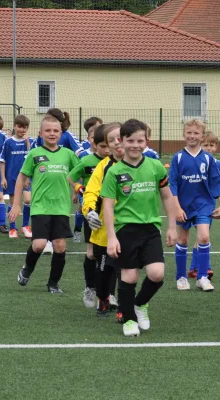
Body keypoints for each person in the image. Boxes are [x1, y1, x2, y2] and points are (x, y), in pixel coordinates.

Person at [101, 119, 178, 337]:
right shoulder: (114, 172)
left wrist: (172, 226)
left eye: (140, 140)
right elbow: (107, 206)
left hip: (150, 229)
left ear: (146, 141)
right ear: (121, 142)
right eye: (130, 140)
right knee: (129, 277)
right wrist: (111, 238)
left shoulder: (155, 167)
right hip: (125, 230)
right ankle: (129, 319)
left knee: (156, 274)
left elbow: (167, 197)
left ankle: (139, 304)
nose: (135, 145)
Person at [9, 114, 81, 293]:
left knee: (60, 246)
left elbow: (80, 173)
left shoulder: (68, 154)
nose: (52, 133)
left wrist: (79, 191)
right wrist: (16, 204)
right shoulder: (35, 154)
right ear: (40, 133)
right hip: (40, 206)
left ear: (61, 133)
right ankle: (27, 268)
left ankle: (53, 283)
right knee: (39, 245)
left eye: (56, 130)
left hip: (62, 208)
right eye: (48, 130)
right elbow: (21, 178)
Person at [170, 120, 220, 292]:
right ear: (183, 134)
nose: (192, 136)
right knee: (183, 240)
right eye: (189, 133)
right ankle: (181, 277)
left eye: (196, 133)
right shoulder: (178, 158)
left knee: (203, 237)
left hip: (203, 205)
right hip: (184, 206)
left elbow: (216, 182)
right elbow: (172, 185)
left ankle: (202, 277)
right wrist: (177, 208)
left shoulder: (209, 159)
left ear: (202, 136)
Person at [82, 123, 124, 318]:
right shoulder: (104, 166)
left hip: (130, 227)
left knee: (125, 269)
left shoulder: (142, 163)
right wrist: (89, 211)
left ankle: (125, 306)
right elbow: (91, 191)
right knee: (105, 269)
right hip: (104, 229)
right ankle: (103, 298)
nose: (117, 142)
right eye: (111, 140)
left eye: (120, 137)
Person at [68, 124, 111, 308]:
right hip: (92, 212)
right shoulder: (87, 161)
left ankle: (109, 294)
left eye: (109, 145)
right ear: (93, 144)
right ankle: (89, 287)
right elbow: (70, 176)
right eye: (103, 146)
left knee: (111, 253)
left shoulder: (116, 163)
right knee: (92, 253)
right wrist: (78, 188)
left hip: (111, 213)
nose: (107, 150)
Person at [188, 130, 220, 279]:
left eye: (212, 145)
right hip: (194, 201)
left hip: (209, 203)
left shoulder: (217, 164)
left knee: (202, 235)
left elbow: (216, 183)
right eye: (206, 145)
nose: (209, 148)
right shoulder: (193, 160)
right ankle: (204, 267)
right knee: (202, 235)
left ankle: (194, 267)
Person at [0, 115, 34, 238]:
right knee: (14, 203)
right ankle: (13, 228)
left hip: (26, 178)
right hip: (12, 177)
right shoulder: (8, 142)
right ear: (14, 126)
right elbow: (2, 160)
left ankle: (25, 226)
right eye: (19, 127)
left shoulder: (30, 142)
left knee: (28, 200)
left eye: (25, 127)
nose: (22, 130)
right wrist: (3, 178)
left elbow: (32, 158)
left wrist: (28, 144)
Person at [73, 117, 103, 242]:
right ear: (88, 139)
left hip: (102, 191)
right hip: (85, 191)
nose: (95, 141)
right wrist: (76, 192)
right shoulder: (84, 155)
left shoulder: (106, 155)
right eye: (92, 138)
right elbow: (77, 175)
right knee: (83, 209)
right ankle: (78, 230)